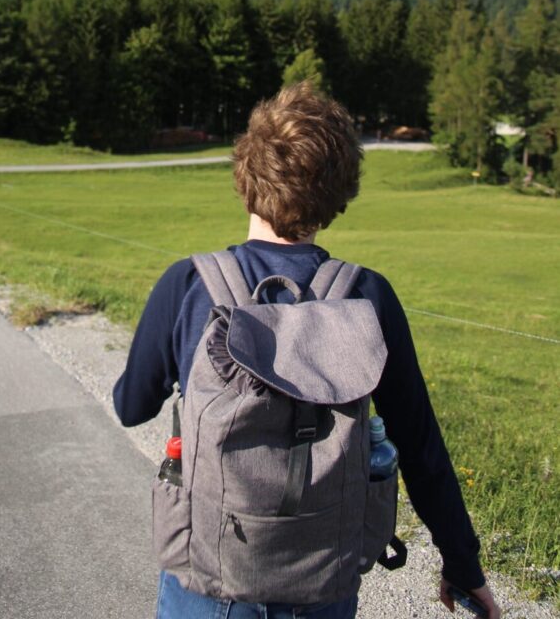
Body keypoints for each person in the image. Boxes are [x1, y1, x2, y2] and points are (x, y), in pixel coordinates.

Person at [113, 83, 501, 619]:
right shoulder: (367, 296)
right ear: (339, 193)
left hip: (209, 580)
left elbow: (131, 408)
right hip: (325, 585)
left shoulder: (188, 285)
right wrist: (464, 566)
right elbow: (420, 447)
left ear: (245, 175)